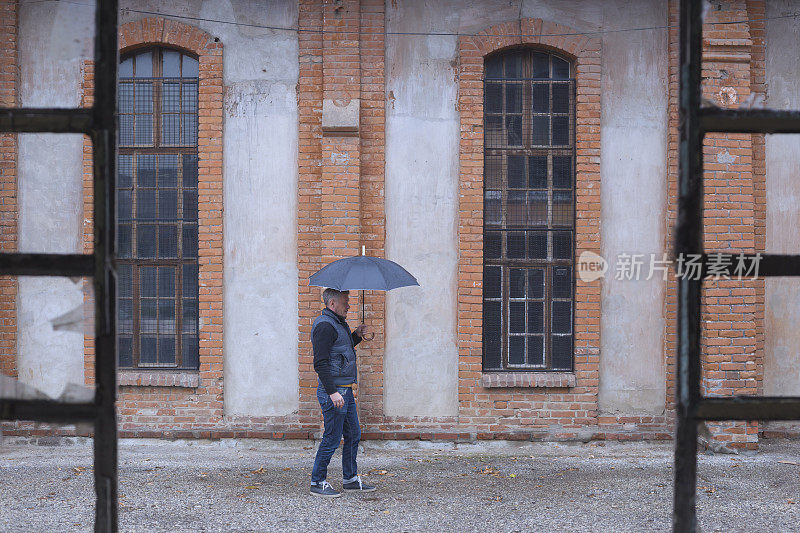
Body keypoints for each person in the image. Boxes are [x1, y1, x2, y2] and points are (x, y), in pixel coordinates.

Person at [309, 288, 377, 498]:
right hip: (335, 392)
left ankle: (350, 479)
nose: (348, 305)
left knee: (353, 434)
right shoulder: (324, 326)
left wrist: (356, 335)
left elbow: (341, 351)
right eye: (345, 302)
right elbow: (320, 363)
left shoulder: (337, 323)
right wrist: (332, 392)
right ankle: (317, 482)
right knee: (332, 437)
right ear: (332, 304)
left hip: (344, 390)